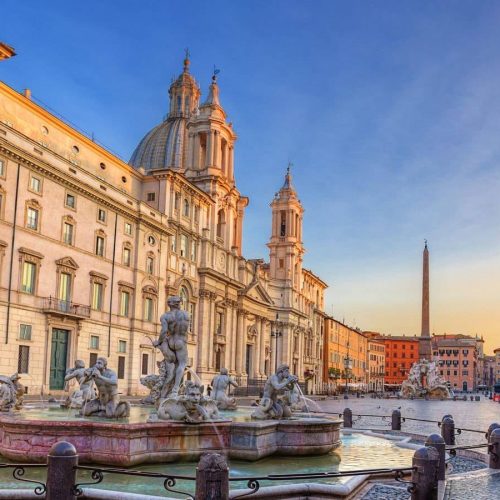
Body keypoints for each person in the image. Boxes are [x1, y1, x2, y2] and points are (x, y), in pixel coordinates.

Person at [154, 296, 190, 397]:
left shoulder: (165, 316)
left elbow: (164, 331)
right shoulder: (186, 315)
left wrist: (159, 341)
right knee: (182, 364)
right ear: (178, 304)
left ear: (169, 304)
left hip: (171, 341)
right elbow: (185, 329)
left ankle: (167, 387)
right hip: (181, 341)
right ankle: (175, 389)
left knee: (172, 364)